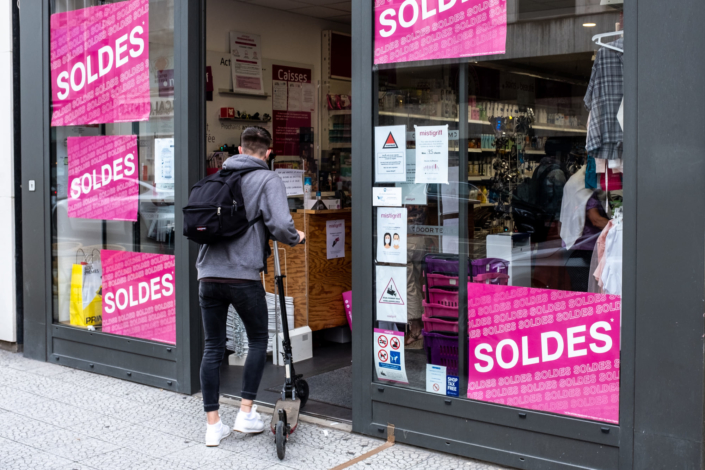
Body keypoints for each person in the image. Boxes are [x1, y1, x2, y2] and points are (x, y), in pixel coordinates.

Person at [195, 127, 304, 446]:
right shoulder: (268, 179)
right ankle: (245, 412)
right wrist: (296, 237)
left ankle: (213, 426)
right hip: (242, 275)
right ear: (268, 153)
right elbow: (281, 225)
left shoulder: (218, 177)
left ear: (240, 149)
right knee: (258, 339)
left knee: (213, 346)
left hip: (208, 275)